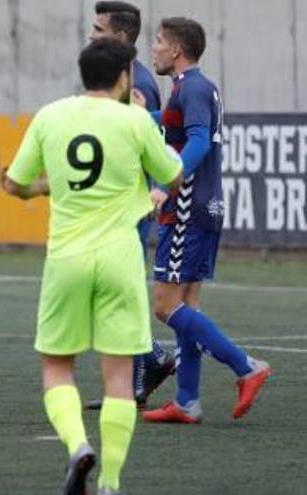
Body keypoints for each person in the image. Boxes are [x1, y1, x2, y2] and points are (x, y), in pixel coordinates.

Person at [5, 39, 183, 495]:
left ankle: (78, 445)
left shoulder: (51, 115)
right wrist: (147, 124)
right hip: (120, 259)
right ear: (124, 77)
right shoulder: (135, 119)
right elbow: (174, 174)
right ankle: (110, 481)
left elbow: (14, 183)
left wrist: (45, 189)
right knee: (119, 375)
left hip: (67, 258)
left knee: (57, 367)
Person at [141, 17, 272, 424]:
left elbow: (197, 140)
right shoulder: (194, 88)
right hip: (203, 207)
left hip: (187, 208)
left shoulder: (193, 87)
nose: (155, 48)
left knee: (164, 306)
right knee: (187, 306)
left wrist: (167, 181)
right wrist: (144, 118)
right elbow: (178, 125)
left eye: (159, 42)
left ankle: (246, 366)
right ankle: (187, 401)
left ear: (177, 50)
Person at [86, 0, 176, 410]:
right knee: (111, 291)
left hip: (128, 205)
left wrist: (152, 192)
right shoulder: (118, 79)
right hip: (115, 204)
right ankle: (146, 364)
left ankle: (145, 368)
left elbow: (147, 142)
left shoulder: (136, 84)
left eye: (99, 29)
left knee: (120, 292)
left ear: (122, 37)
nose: (92, 36)